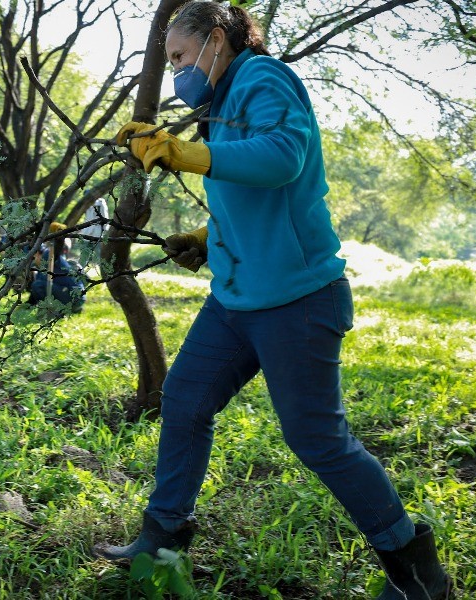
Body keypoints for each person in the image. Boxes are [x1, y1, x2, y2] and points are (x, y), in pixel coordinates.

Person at [91, 3, 450, 599]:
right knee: (184, 401)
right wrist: (206, 239)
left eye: (181, 56)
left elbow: (284, 158)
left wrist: (182, 153)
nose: (177, 71)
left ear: (215, 40)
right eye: (170, 62)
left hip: (297, 299)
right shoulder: (223, 101)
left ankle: (417, 574)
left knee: (317, 439)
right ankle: (160, 541)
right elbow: (250, 196)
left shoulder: (263, 76)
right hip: (235, 301)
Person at [27, 243, 86, 314]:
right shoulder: (42, 265)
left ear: (37, 253)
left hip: (75, 296)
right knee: (38, 284)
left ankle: (55, 312)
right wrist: (27, 305)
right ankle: (70, 309)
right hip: (73, 296)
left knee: (37, 285)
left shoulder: (48, 255)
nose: (33, 261)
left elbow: (38, 286)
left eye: (33, 258)